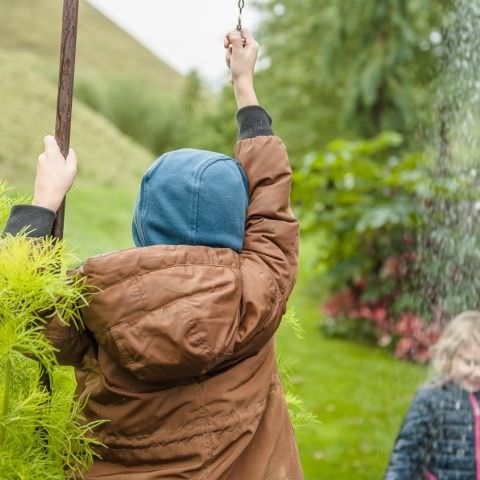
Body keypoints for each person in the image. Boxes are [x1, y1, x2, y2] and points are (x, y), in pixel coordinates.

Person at [3, 29, 303, 479]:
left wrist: (43, 203)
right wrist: (245, 85)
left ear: (143, 223)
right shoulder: (263, 288)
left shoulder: (95, 305)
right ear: (240, 224)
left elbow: (19, 308)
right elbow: (271, 198)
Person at [385, 311, 480, 480]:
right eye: (469, 362)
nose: (477, 373)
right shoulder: (431, 399)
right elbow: (407, 454)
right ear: (449, 356)